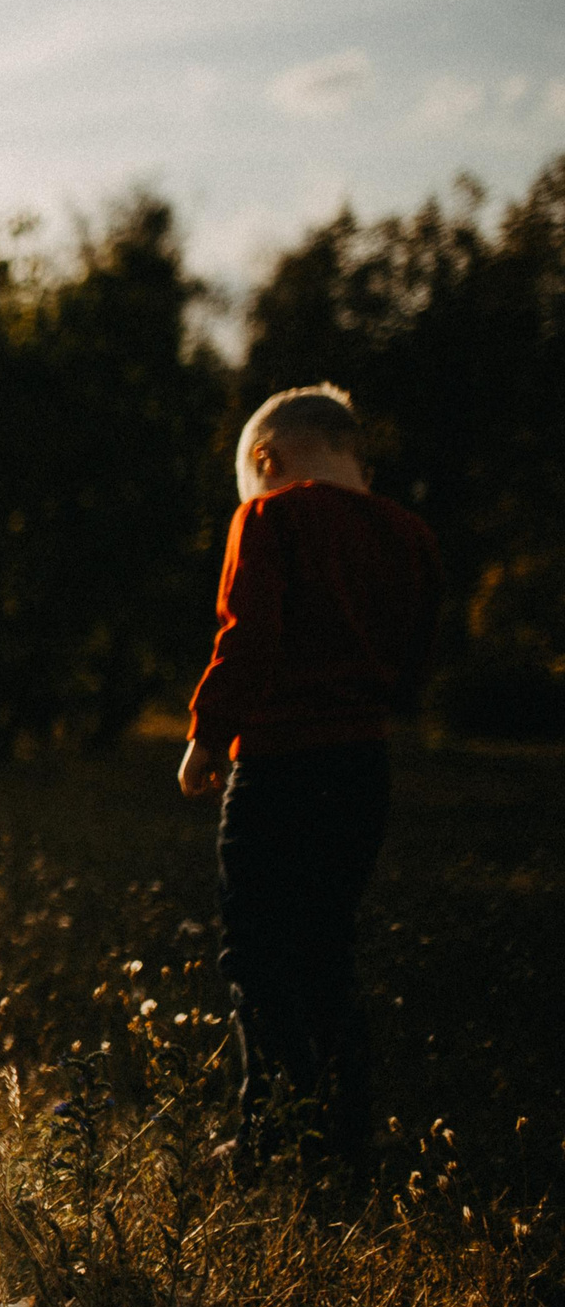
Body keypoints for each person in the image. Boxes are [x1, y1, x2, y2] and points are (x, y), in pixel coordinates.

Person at [178, 384, 441, 1162]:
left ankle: (272, 1128)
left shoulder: (269, 516)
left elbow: (246, 633)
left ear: (266, 460)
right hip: (363, 767)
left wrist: (207, 735)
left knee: (257, 949)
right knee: (327, 944)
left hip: (278, 767)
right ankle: (345, 1127)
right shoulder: (412, 535)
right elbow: (420, 644)